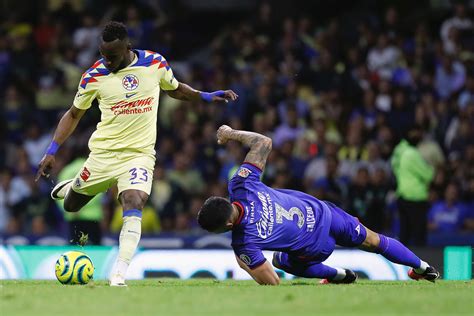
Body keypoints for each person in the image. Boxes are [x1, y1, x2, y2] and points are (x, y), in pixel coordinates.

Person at [35, 21, 238, 286]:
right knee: (72, 206)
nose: (107, 61)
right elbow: (73, 114)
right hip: (104, 154)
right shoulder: (94, 76)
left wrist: (206, 96)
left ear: (128, 48)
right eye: (103, 55)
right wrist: (52, 150)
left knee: (134, 200)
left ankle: (118, 273)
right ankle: (70, 186)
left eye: (113, 56)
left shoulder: (154, 63)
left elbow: (174, 88)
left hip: (139, 154)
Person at [197, 125, 439, 285]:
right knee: (374, 241)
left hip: (315, 248)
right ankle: (422, 267)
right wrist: (230, 133)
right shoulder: (241, 184)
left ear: (227, 224)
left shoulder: (243, 242)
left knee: (280, 260)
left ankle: (337, 275)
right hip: (323, 213)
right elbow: (264, 142)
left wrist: (245, 263)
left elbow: (273, 282)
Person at [391, 125, 434, 246]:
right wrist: (431, 167)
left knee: (405, 234)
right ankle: (422, 263)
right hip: (415, 197)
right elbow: (428, 175)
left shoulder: (398, 150)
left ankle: (402, 263)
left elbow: (394, 168)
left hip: (402, 195)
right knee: (419, 235)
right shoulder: (411, 153)